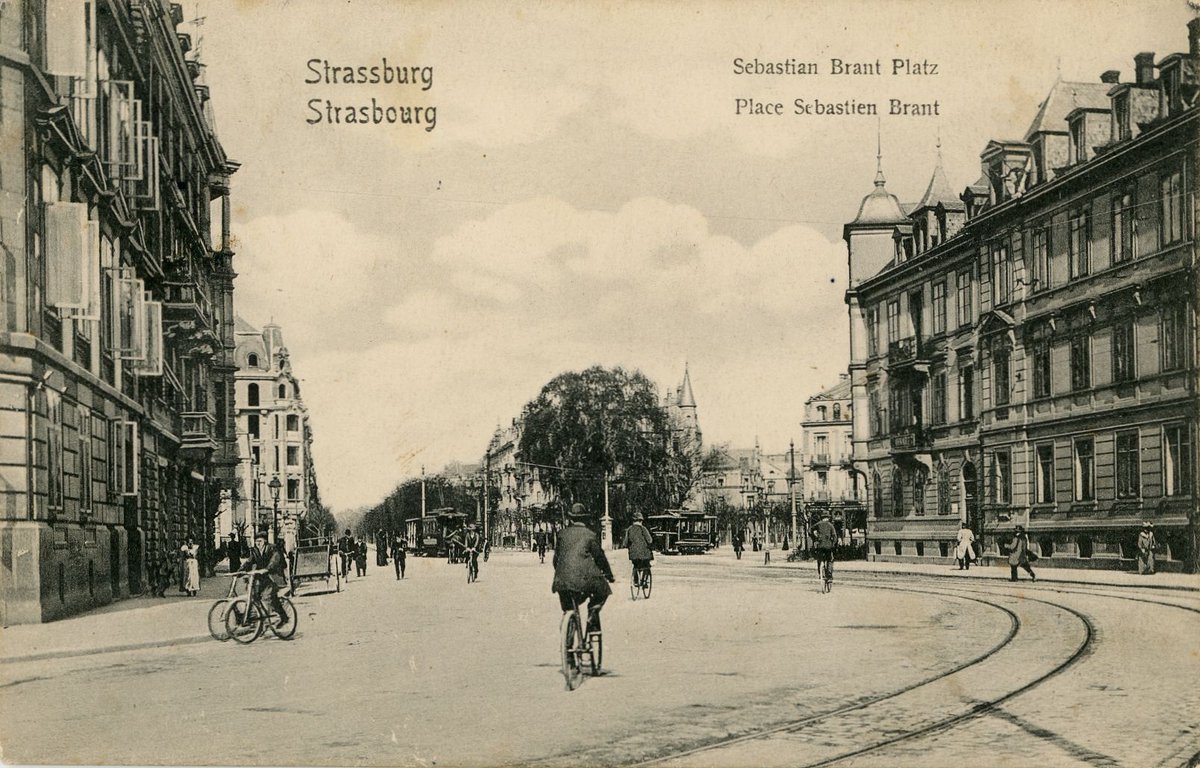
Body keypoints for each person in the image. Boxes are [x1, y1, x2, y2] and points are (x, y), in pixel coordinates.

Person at [552, 503, 615, 634]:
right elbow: (600, 558)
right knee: (603, 592)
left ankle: (568, 635)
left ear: (571, 519)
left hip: (562, 582)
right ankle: (592, 614)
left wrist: (562, 573)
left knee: (569, 607)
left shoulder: (562, 534)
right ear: (585, 519)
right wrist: (609, 575)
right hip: (583, 581)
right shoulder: (590, 535)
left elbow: (556, 560)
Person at [242, 531, 290, 627]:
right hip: (262, 577)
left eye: (260, 541)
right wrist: (239, 571)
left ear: (265, 541)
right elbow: (249, 562)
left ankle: (267, 621)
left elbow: (275, 560)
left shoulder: (272, 548)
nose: (258, 543)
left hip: (274, 577)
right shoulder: (255, 551)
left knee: (267, 597)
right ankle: (256, 619)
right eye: (256, 541)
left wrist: (267, 569)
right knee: (254, 595)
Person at [621, 512, 654, 588]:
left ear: (633, 521)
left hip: (633, 554)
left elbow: (625, 543)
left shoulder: (629, 529)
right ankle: (644, 581)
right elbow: (649, 540)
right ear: (641, 521)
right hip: (644, 554)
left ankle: (636, 581)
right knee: (646, 565)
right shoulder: (643, 529)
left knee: (636, 565)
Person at [810, 513, 838, 580]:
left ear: (822, 518)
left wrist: (814, 538)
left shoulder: (818, 524)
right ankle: (829, 574)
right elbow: (834, 536)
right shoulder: (830, 525)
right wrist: (833, 544)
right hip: (828, 546)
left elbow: (810, 530)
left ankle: (820, 573)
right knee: (830, 560)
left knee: (819, 559)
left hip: (820, 546)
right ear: (827, 518)